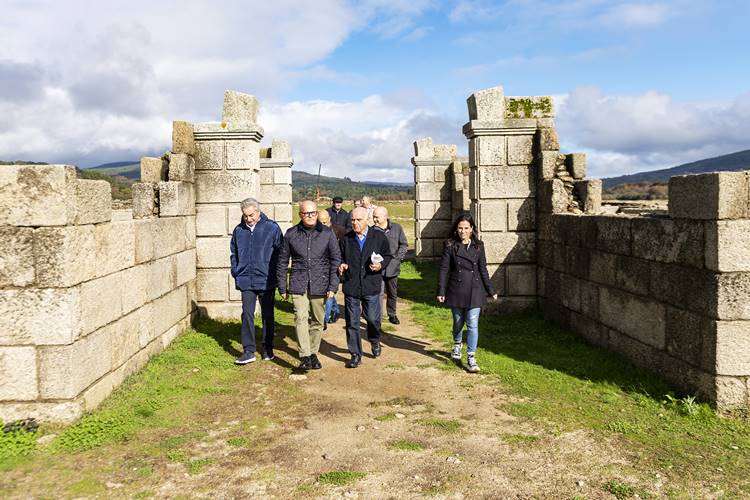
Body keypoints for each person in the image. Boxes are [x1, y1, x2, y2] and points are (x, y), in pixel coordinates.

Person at [277, 200, 341, 370]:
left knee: (318, 321)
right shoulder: (291, 234)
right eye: (306, 213)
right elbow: (282, 261)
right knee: (300, 318)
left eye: (313, 213)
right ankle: (305, 355)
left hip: (320, 283)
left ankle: (313, 352)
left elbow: (336, 260)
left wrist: (332, 287)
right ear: (300, 215)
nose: (310, 216)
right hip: (299, 283)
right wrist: (282, 286)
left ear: (317, 213)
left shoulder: (327, 233)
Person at [436, 213, 498, 373]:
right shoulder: (449, 245)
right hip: (456, 289)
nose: (463, 231)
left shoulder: (479, 246)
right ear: (456, 229)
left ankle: (471, 357)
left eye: (466, 228)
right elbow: (444, 269)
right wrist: (441, 290)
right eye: (460, 228)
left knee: (472, 324)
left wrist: (490, 290)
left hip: (475, 290)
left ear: (472, 229)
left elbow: (483, 269)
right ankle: (457, 344)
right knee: (458, 321)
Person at [230, 197, 283, 364]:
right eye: (245, 216)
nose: (248, 219)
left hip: (266, 279)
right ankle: (249, 350)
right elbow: (234, 253)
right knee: (247, 314)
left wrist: (274, 274)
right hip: (246, 279)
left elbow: (280, 254)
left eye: (251, 215)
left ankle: (267, 348)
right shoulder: (239, 231)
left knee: (268, 315)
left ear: (258, 212)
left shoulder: (272, 228)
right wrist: (236, 271)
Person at [339, 207, 392, 368]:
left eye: (358, 220)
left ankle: (375, 340)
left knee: (372, 319)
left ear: (367, 220)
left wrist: (381, 265)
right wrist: (341, 265)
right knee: (352, 322)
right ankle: (355, 354)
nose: (355, 223)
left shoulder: (379, 237)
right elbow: (339, 258)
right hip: (352, 286)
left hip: (371, 285)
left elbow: (388, 255)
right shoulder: (346, 239)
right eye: (352, 220)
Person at [372, 206, 408, 325]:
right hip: (378, 268)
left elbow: (403, 244)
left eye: (377, 217)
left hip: (393, 267)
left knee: (392, 293)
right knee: (379, 293)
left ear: (385, 216)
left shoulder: (397, 228)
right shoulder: (372, 231)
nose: (375, 219)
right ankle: (378, 318)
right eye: (373, 217)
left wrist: (398, 258)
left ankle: (392, 314)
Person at [317, 209, 344, 326]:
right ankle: (336, 311)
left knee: (329, 292)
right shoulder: (315, 232)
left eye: (325, 222)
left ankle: (324, 319)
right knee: (326, 293)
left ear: (330, 220)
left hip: (334, 265)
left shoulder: (340, 231)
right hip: (320, 266)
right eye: (320, 222)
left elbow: (345, 248)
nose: (323, 225)